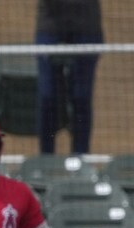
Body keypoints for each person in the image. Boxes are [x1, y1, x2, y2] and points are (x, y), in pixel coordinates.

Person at [35, 0, 103, 154]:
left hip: (87, 28)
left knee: (81, 98)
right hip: (50, 27)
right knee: (48, 98)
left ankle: (80, 160)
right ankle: (45, 160)